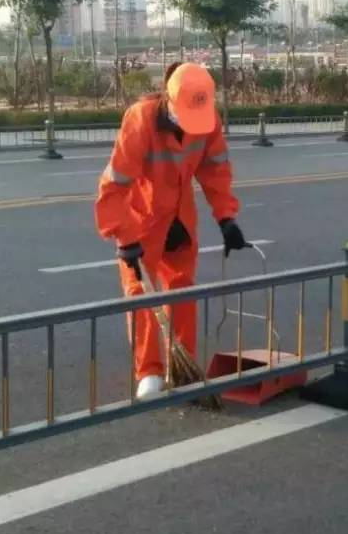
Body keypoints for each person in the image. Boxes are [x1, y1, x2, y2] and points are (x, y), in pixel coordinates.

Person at [95, 62, 248, 399]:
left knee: (181, 290)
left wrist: (226, 218)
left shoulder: (207, 120)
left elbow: (216, 170)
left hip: (180, 217)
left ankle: (181, 365)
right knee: (141, 293)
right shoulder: (141, 119)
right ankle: (149, 371)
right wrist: (124, 236)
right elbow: (114, 184)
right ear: (169, 99)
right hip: (142, 219)